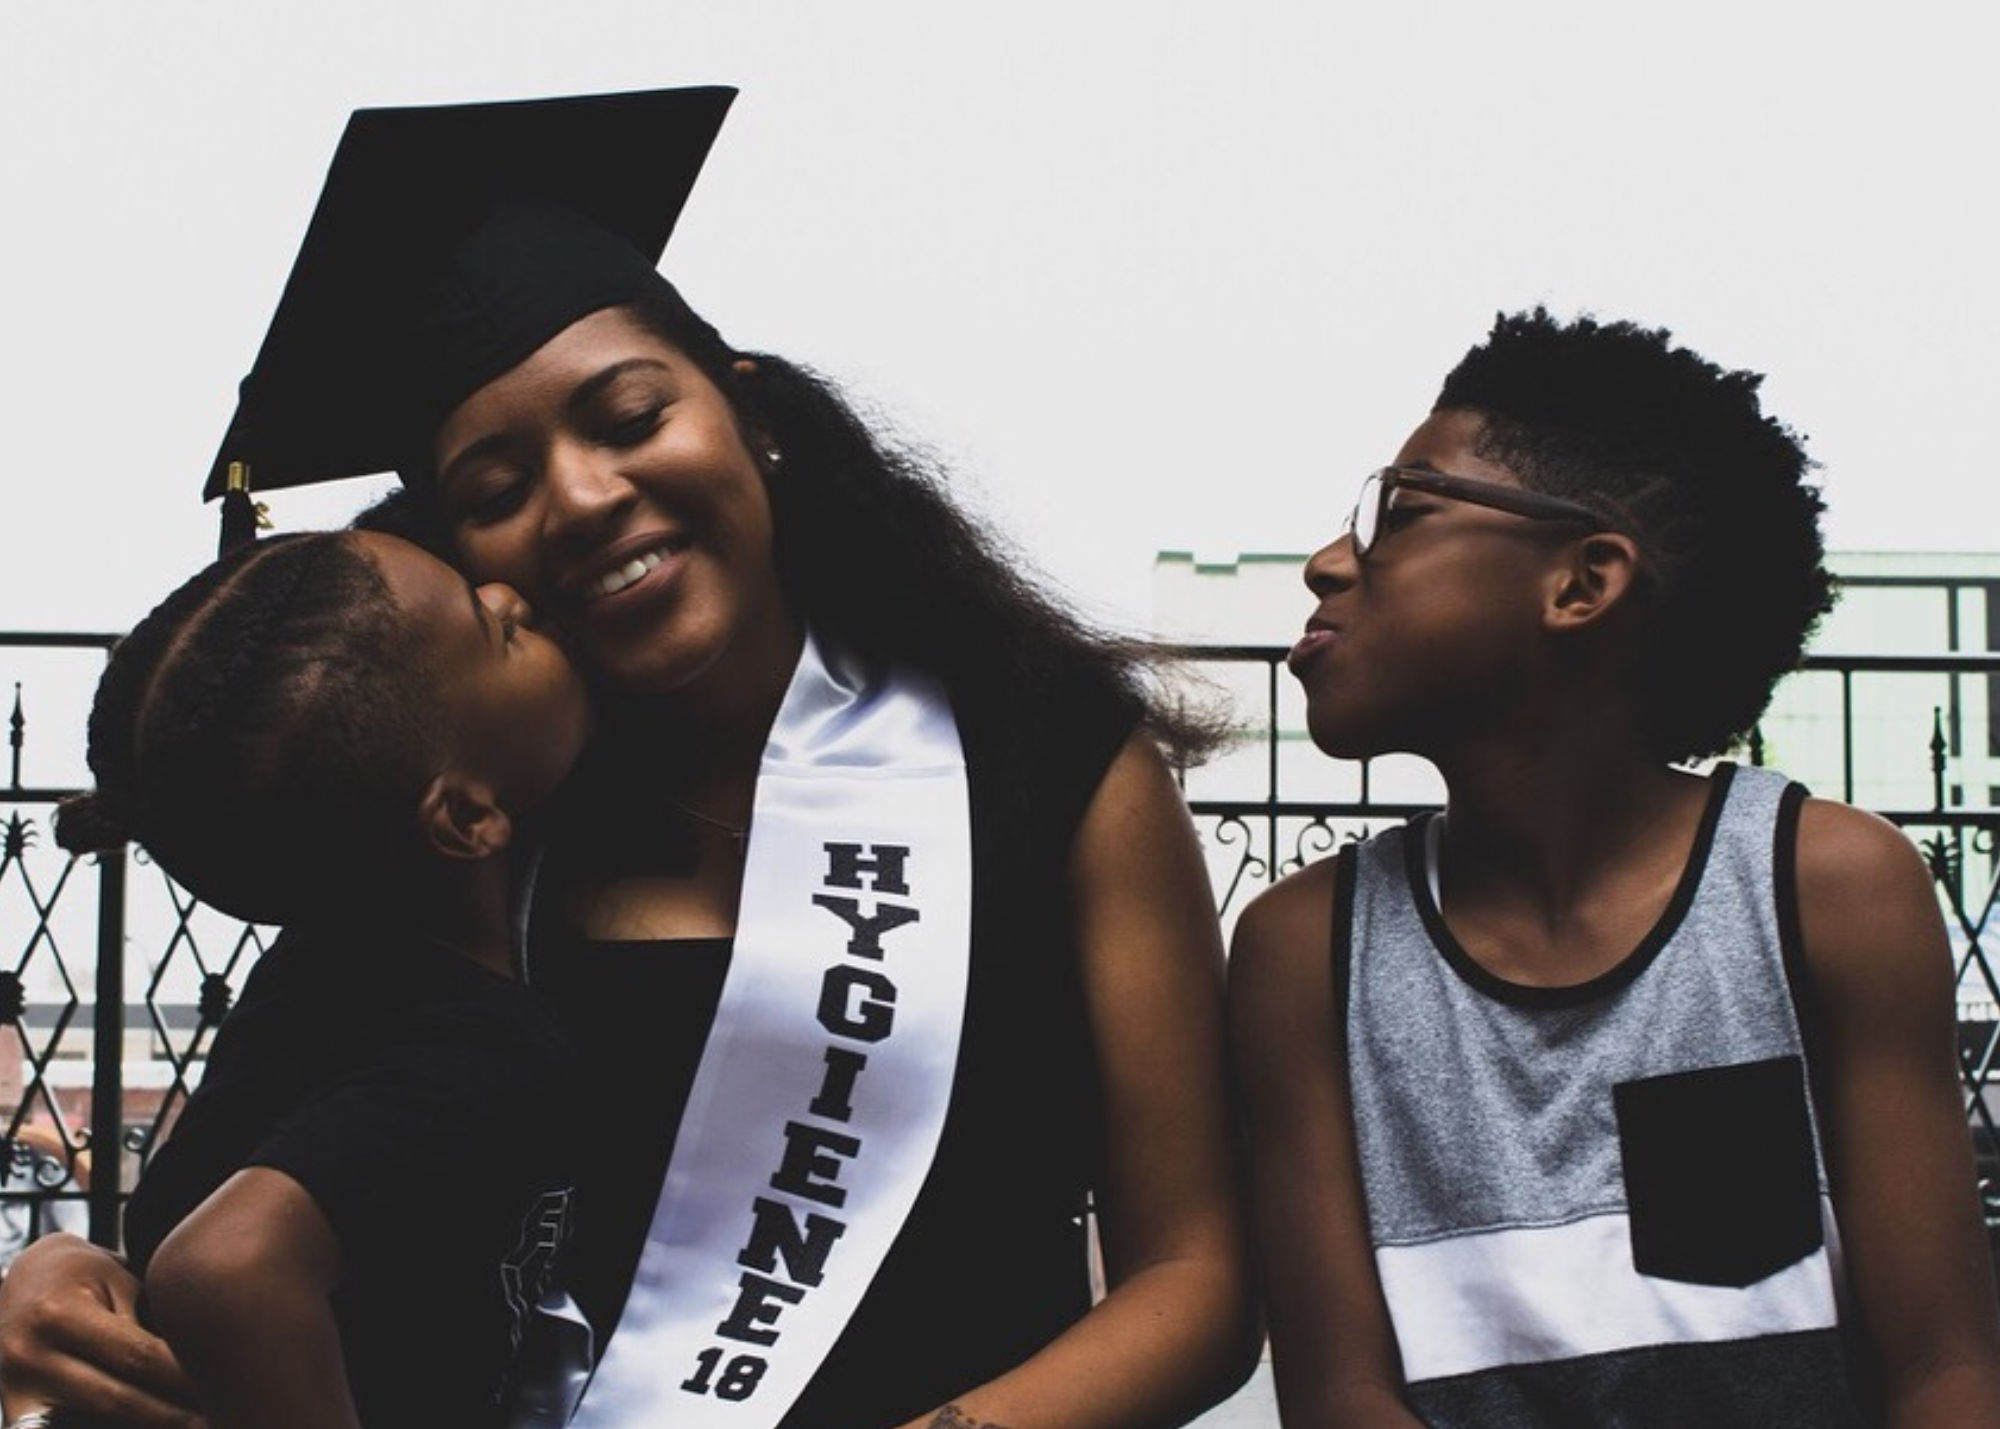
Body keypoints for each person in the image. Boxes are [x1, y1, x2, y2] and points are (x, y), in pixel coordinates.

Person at [0, 88, 1257, 1429]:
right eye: (495, 491)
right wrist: (61, 1274)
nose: (587, 496)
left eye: (628, 415)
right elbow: (222, 1229)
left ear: (749, 416)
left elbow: (1193, 1281)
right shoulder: (455, 840)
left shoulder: (1042, 764)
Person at [1228, 307, 2000, 1428]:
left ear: (1580, 584)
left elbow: (1945, 1369)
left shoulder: (1822, 887)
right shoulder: (1303, 948)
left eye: (1398, 513)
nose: (1326, 561)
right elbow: (1342, 1391)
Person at [32, 528, 592, 1429]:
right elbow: (226, 1267)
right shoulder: (476, 1048)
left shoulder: (310, 982)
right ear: (465, 813)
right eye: (494, 634)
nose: (510, 596)